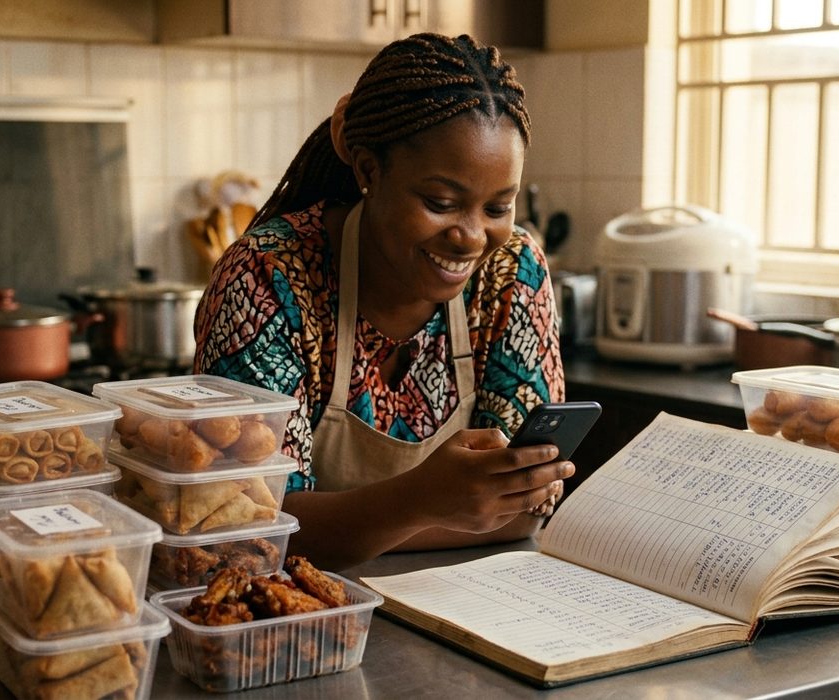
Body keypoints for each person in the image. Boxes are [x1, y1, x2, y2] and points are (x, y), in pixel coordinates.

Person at [193, 33, 569, 570]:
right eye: (440, 203)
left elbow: (527, 505)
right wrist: (420, 502)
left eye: (497, 207)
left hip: (466, 603)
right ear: (369, 171)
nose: (470, 236)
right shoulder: (269, 277)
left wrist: (344, 524)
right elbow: (248, 529)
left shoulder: (512, 273)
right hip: (303, 618)